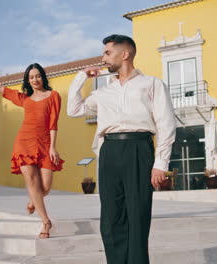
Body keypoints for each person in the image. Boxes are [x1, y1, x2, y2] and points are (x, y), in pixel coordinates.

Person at [67, 34, 176, 264]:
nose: (103, 57)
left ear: (125, 54)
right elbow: (74, 109)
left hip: (139, 149)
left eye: (107, 52)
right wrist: (82, 76)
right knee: (110, 218)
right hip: (109, 152)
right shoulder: (103, 92)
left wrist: (160, 164)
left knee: (137, 216)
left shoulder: (152, 84)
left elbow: (166, 125)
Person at [0, 63, 64, 238]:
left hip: (45, 145)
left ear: (43, 76)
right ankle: (46, 222)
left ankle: (35, 201)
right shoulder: (24, 98)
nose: (35, 79)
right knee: (32, 180)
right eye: (31, 77)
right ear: (28, 80)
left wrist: (53, 147)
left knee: (46, 187)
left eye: (38, 76)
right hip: (24, 143)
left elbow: (53, 123)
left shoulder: (53, 96)